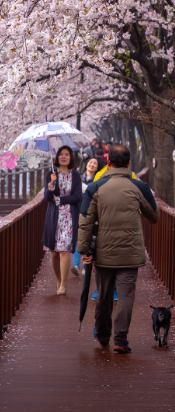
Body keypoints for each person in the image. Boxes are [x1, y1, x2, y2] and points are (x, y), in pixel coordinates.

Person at [79, 145, 159, 354]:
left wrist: (84, 249)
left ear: (108, 162)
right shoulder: (139, 187)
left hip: (104, 253)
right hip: (130, 253)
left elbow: (86, 221)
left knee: (104, 295)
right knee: (125, 297)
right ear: (129, 163)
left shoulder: (95, 187)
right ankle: (120, 340)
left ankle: (103, 336)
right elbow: (154, 216)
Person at [42, 146, 82, 296]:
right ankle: (58, 279)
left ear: (71, 157)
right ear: (57, 157)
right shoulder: (51, 174)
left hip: (69, 217)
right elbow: (47, 198)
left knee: (64, 250)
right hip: (54, 217)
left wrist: (60, 199)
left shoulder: (75, 176)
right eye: (61, 154)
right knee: (54, 252)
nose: (63, 157)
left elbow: (78, 196)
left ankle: (63, 285)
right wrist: (51, 185)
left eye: (66, 154)